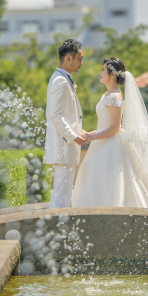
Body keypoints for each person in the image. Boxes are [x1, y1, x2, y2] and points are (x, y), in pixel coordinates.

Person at [71, 57, 148, 211]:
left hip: (111, 143)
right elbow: (104, 124)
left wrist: (91, 137)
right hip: (101, 142)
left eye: (103, 70)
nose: (100, 73)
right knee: (94, 171)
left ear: (113, 74)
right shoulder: (107, 94)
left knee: (109, 176)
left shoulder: (115, 96)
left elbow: (114, 127)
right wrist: (89, 133)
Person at [44, 39, 85, 208]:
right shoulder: (60, 80)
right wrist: (73, 136)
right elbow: (55, 115)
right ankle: (56, 229)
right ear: (69, 58)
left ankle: (59, 228)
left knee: (64, 192)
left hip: (64, 146)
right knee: (62, 193)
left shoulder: (62, 78)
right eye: (80, 59)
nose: (82, 63)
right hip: (64, 146)